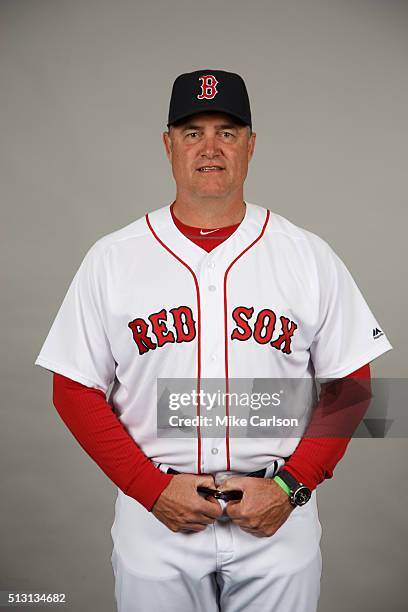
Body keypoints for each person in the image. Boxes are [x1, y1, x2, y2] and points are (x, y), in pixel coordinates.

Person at [35, 69, 392, 612]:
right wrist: (149, 489)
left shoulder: (306, 255)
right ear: (168, 144)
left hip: (278, 516)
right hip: (156, 518)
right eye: (192, 131)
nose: (209, 147)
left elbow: (355, 388)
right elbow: (72, 388)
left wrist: (292, 489)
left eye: (227, 131)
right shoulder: (113, 258)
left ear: (251, 145)